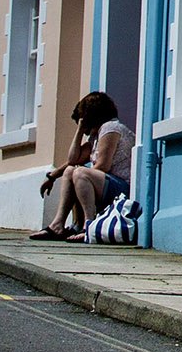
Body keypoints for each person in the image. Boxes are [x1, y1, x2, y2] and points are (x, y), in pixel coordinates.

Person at [34, 93, 133, 241]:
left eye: (83, 120)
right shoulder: (96, 136)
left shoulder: (111, 128)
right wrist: (52, 176)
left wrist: (79, 177)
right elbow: (72, 160)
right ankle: (57, 225)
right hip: (107, 186)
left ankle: (89, 226)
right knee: (70, 170)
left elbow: (102, 167)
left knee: (80, 173)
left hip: (122, 190)